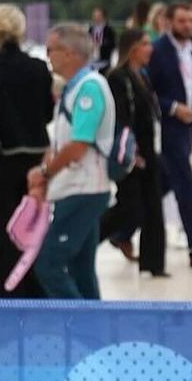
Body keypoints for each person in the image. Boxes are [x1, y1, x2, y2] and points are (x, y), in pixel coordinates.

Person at [0, 4, 54, 297]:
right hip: (36, 163)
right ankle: (35, 290)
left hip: (2, 160)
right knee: (34, 227)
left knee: (3, 231)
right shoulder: (39, 69)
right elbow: (47, 113)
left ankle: (7, 293)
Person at [27, 24, 115, 300]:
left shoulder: (89, 89)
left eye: (51, 50)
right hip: (76, 188)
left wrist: (45, 172)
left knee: (49, 264)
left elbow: (78, 146)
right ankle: (94, 333)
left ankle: (80, 329)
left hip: (83, 190)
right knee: (81, 269)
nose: (47, 56)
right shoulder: (74, 89)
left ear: (69, 53)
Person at [147, 3, 192, 270]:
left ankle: (121, 230)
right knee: (186, 188)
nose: (187, 26)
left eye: (190, 21)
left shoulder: (190, 50)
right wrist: (173, 107)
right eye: (181, 21)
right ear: (168, 22)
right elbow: (147, 91)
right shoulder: (158, 51)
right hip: (170, 128)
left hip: (186, 127)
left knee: (163, 185)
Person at [102, 28, 167, 276]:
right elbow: (120, 117)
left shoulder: (143, 76)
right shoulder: (118, 78)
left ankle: (153, 263)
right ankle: (92, 236)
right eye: (144, 44)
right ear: (132, 48)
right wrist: (133, 151)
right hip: (131, 154)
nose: (150, 48)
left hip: (150, 151)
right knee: (130, 206)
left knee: (153, 206)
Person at [89, 6, 116, 72]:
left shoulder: (109, 30)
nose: (96, 18)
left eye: (98, 16)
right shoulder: (91, 29)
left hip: (104, 60)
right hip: (92, 60)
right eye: (95, 16)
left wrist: (100, 44)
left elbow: (113, 44)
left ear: (103, 17)